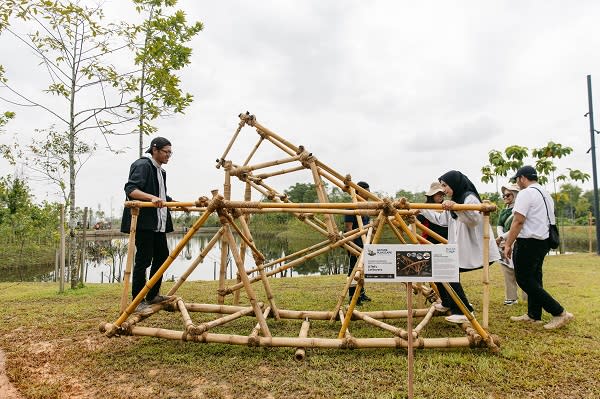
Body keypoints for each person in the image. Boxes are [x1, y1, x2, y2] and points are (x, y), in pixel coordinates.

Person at [421, 171, 501, 323]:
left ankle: (464, 310)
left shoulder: (469, 197)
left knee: (447, 269)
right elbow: (441, 219)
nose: (444, 190)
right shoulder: (456, 199)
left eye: (445, 186)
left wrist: (456, 207)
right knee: (438, 268)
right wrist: (423, 210)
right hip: (464, 249)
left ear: (455, 183)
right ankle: (447, 303)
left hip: (478, 250)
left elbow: (474, 219)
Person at [504, 165, 574, 330]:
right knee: (535, 278)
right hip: (543, 241)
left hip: (528, 241)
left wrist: (508, 244)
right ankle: (533, 315)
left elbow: (518, 221)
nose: (517, 183)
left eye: (517, 180)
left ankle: (559, 312)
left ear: (522, 178)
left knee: (523, 279)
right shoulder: (545, 194)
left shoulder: (526, 193)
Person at [120, 137, 175, 310]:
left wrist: (176, 203)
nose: (168, 155)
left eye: (170, 152)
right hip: (144, 222)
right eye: (166, 152)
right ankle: (137, 301)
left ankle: (152, 295)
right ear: (155, 149)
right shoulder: (142, 165)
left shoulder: (161, 172)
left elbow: (160, 194)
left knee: (162, 256)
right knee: (144, 260)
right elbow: (131, 190)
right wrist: (151, 198)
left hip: (158, 222)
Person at [496, 183, 527, 305]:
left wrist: (502, 237)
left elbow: (517, 226)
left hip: (517, 241)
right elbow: (499, 225)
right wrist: (501, 237)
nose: (505, 198)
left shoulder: (519, 210)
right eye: (504, 196)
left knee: (522, 271)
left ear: (515, 195)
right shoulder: (504, 211)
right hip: (504, 243)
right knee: (507, 270)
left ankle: (527, 297)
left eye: (508, 195)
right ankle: (511, 297)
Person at [345, 181, 372, 305]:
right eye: (366, 190)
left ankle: (361, 294)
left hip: (364, 243)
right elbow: (348, 228)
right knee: (353, 271)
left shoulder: (365, 207)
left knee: (362, 270)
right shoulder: (352, 207)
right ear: (358, 191)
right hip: (355, 243)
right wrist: (350, 245)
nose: (368, 193)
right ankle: (352, 297)